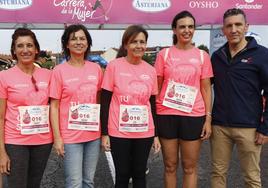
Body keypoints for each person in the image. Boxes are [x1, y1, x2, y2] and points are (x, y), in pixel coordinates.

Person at [154, 10, 213, 188]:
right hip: (166, 115)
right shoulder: (164, 54)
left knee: (189, 167)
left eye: (190, 26)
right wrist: (154, 117)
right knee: (170, 166)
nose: (186, 30)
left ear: (194, 29)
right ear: (174, 30)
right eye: (182, 27)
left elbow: (206, 89)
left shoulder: (202, 56)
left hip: (193, 115)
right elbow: (156, 88)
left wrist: (208, 119)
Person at [210, 8, 268, 188]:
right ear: (223, 30)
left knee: (252, 177)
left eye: (238, 24)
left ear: (246, 27)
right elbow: (204, 87)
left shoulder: (262, 54)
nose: (233, 29)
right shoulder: (217, 56)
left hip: (249, 128)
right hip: (220, 126)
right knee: (218, 173)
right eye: (229, 26)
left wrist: (265, 128)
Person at [101, 25, 161, 188]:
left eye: (142, 42)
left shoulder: (150, 70)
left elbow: (152, 104)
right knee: (122, 175)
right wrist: (104, 133)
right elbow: (105, 100)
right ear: (126, 45)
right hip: (119, 131)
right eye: (134, 42)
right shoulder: (114, 66)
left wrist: (155, 134)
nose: (139, 46)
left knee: (140, 174)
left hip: (144, 131)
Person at [50, 24, 103, 188]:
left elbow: (99, 100)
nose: (78, 42)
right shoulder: (59, 71)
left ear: (88, 43)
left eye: (82, 38)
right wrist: (58, 138)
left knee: (88, 181)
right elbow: (54, 106)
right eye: (74, 39)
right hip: (70, 137)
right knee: (73, 183)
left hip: (93, 135)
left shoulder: (96, 69)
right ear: (67, 44)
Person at [0, 28, 52, 188]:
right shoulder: (4, 77)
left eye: (29, 45)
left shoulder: (48, 75)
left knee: (34, 184)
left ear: (36, 49)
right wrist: (1, 152)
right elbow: (0, 117)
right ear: (14, 51)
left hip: (43, 141)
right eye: (20, 46)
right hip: (15, 141)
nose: (25, 50)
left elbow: (56, 106)